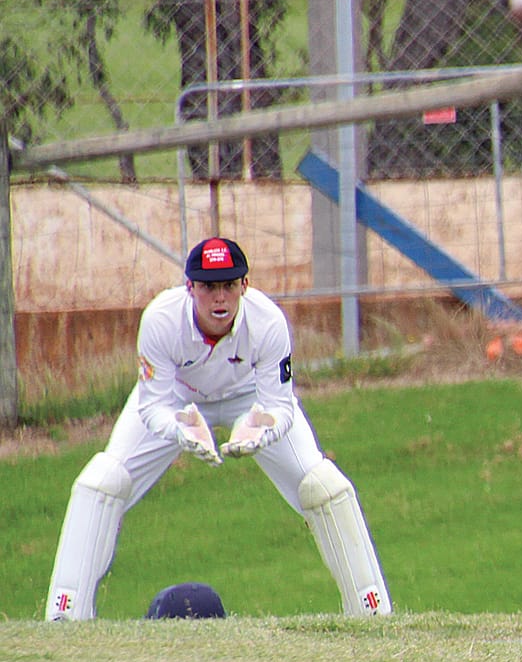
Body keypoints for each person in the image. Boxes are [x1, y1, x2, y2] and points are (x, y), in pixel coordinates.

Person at [45, 237, 393, 621]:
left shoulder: (268, 321)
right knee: (102, 482)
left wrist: (260, 429)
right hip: (178, 397)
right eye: (209, 287)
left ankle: (371, 613)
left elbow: (279, 404)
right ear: (189, 286)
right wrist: (181, 429)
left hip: (250, 397)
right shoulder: (162, 319)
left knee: (323, 486)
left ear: (245, 285)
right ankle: (66, 617)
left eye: (229, 285)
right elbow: (152, 404)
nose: (220, 298)